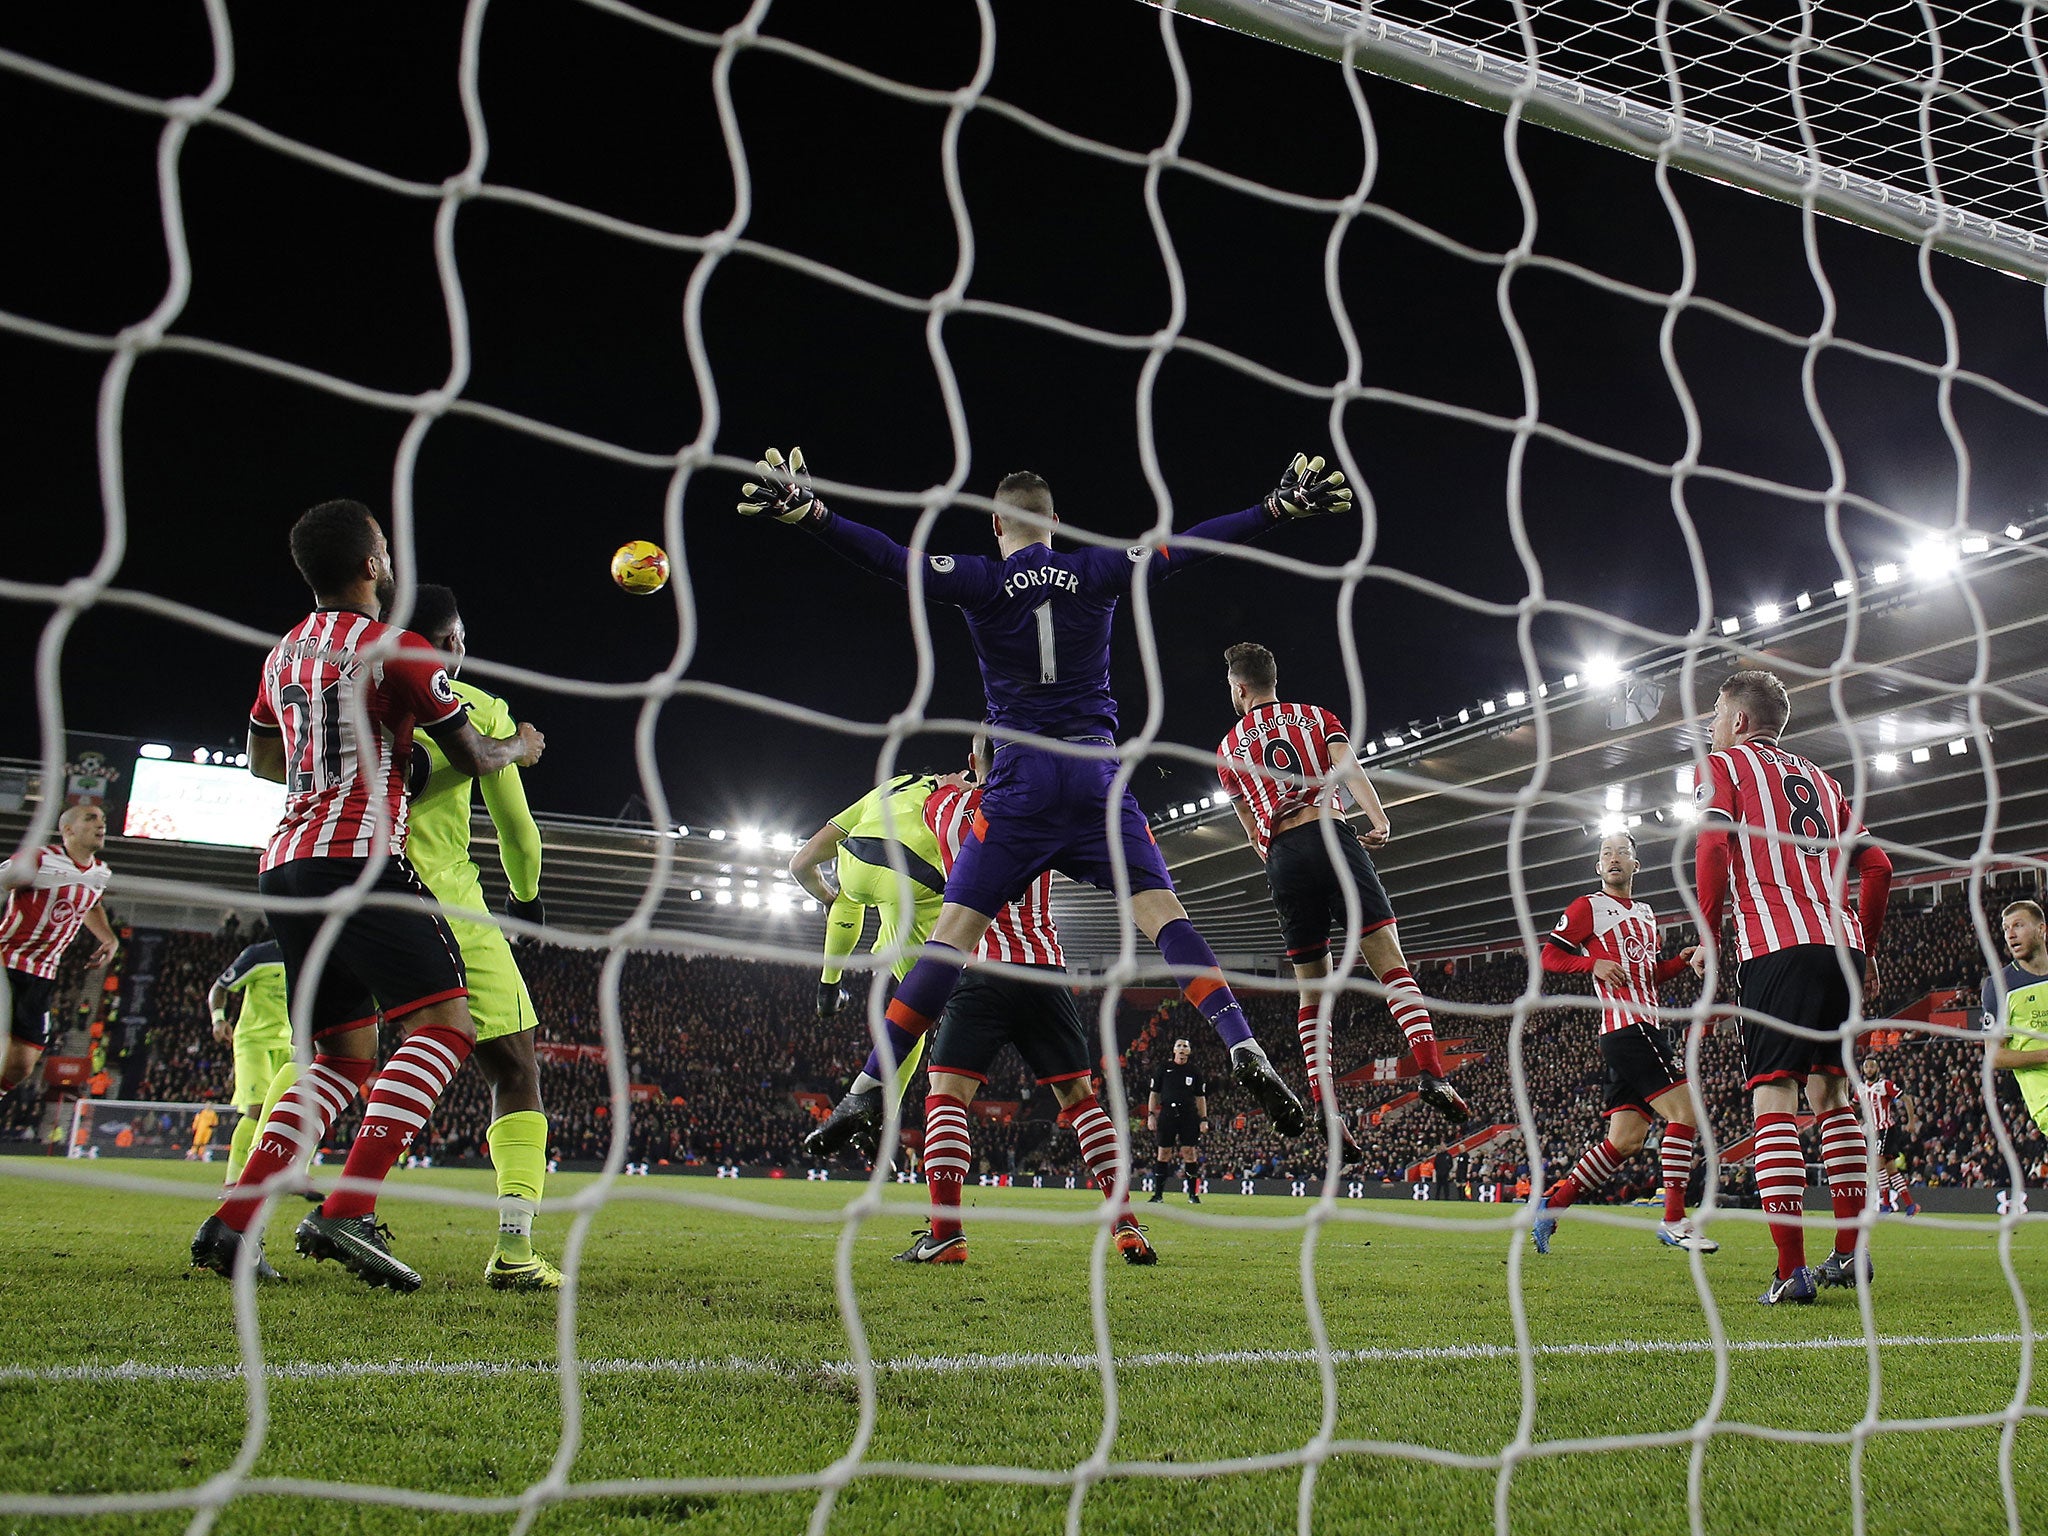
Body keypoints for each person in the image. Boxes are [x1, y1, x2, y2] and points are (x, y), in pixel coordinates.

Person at [746, 449, 1347, 1147]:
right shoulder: (1099, 567)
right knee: (1164, 917)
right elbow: (1189, 547)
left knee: (949, 942)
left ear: (997, 524)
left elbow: (891, 559)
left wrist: (813, 515)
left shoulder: (981, 578)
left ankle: (866, 1089)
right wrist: (1273, 509)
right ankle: (1242, 1043)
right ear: (1054, 522)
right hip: (1096, 777)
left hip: (1021, 786)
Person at [190, 499, 544, 1292]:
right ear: (372, 565)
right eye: (383, 547)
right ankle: (348, 1209)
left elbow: (261, 764)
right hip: (358, 862)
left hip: (284, 864)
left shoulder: (283, 654)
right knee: (447, 1027)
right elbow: (478, 755)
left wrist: (334, 767)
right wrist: (522, 744)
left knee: (340, 1059)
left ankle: (231, 1225)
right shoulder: (400, 649)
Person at [896, 734, 1154, 1265]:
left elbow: (935, 794)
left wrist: (959, 780)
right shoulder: (1037, 807)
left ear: (973, 762)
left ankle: (946, 1233)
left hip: (980, 964)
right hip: (1044, 970)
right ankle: (1126, 1225)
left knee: (945, 1093)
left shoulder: (943, 806)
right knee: (1081, 1100)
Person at [1213, 641, 1472, 1157]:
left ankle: (1327, 1113)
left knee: (1313, 993)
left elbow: (1249, 825)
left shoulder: (1227, 749)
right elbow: (1348, 768)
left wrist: (1277, 858)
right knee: (1390, 965)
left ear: (1240, 689)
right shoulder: (1314, 716)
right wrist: (1378, 818)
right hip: (1332, 834)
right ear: (1272, 679)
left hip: (1284, 853)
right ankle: (1432, 1074)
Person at [1689, 669, 1891, 1304]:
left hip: (1777, 946)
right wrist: (1870, 949)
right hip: (1845, 946)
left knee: (1773, 1098)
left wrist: (1711, 938)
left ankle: (1790, 1271)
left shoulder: (1723, 765)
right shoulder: (1826, 782)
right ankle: (1849, 1257)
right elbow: (1878, 866)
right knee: (1831, 1093)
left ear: (1740, 722)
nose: (1711, 725)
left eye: (1717, 713)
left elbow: (1716, 844)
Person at [404, 585, 559, 1292]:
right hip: (443, 900)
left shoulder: (348, 687)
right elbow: (518, 837)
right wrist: (528, 906)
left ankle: (240, 1215)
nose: (462, 650)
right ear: (441, 644)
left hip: (335, 883)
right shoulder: (479, 710)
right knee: (514, 1067)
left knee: (330, 1057)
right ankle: (514, 1249)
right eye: (455, 638)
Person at [1533, 831, 1717, 1255]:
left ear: (1637, 864)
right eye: (1606, 853)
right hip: (1628, 1029)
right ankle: (1673, 1219)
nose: (1614, 858)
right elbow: (1550, 956)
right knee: (1686, 1112)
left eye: (1622, 852)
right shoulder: (1588, 907)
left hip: (1643, 1029)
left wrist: (1679, 962)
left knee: (1626, 1141)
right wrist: (1592, 962)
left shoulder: (1648, 915)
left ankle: (1552, 1205)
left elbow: (1647, 976)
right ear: (1598, 866)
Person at [792, 769, 946, 1153]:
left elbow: (800, 863)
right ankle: (883, 1116)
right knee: (915, 1011)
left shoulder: (892, 786)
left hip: (858, 859)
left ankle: (829, 988)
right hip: (918, 882)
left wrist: (831, 901)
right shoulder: (958, 791)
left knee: (848, 896)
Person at [1, 802, 118, 1096]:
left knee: (21, 1065)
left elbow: (92, 906)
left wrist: (109, 938)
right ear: (67, 830)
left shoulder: (100, 873)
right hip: (6, 964)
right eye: (91, 819)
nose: (100, 824)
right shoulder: (40, 858)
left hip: (43, 974)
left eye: (102, 819)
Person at [207, 939, 293, 1188]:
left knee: (284, 1111)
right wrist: (218, 1019)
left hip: (287, 1042)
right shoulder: (259, 955)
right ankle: (234, 1179)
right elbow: (220, 987)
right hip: (253, 1041)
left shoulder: (309, 953)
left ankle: (278, 1173)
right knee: (256, 1109)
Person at [1983, 900, 2048, 1154]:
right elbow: (1995, 1056)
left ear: (2042, 930)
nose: (2010, 934)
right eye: (2006, 928)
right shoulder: (2000, 985)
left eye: (2018, 925)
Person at [1145, 1039, 1207, 1204]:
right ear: (1174, 1050)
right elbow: (1154, 1093)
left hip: (1188, 1115)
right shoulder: (1163, 1069)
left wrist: (1203, 1119)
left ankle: (1193, 1195)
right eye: (1179, 1046)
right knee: (1163, 1153)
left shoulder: (1194, 1071)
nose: (1182, 1048)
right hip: (1167, 1114)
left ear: (1189, 1051)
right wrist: (1151, 1114)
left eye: (1185, 1046)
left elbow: (1200, 1098)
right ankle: (1158, 1195)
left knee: (1189, 1152)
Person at [1857, 1056, 1920, 1217]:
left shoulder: (1884, 1085)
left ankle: (1886, 1205)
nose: (1869, 1069)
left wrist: (1911, 1121)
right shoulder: (1861, 1088)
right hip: (1873, 1132)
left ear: (1877, 1069)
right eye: (1866, 1066)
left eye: (1872, 1066)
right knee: (1891, 1169)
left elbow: (1905, 1098)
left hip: (1885, 1129)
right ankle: (1910, 1205)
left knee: (1877, 1164)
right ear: (1863, 1070)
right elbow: (1854, 1105)